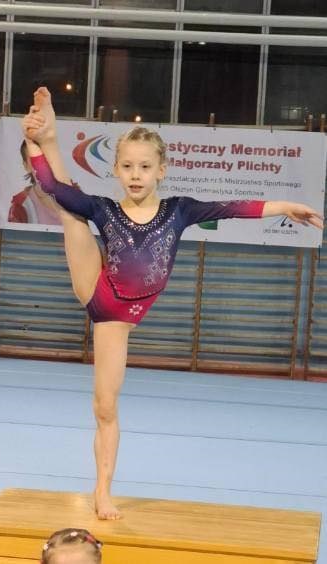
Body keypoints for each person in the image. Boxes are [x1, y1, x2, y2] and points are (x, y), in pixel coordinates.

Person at [23, 87, 323, 520]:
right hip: (104, 301)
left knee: (106, 403)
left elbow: (235, 207)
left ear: (161, 170)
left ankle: (48, 137)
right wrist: (34, 143)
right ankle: (102, 491)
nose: (136, 175)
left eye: (145, 167)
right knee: (73, 215)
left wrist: (285, 206)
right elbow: (51, 186)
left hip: (127, 313)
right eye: (127, 166)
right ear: (115, 169)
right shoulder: (106, 210)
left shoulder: (179, 210)